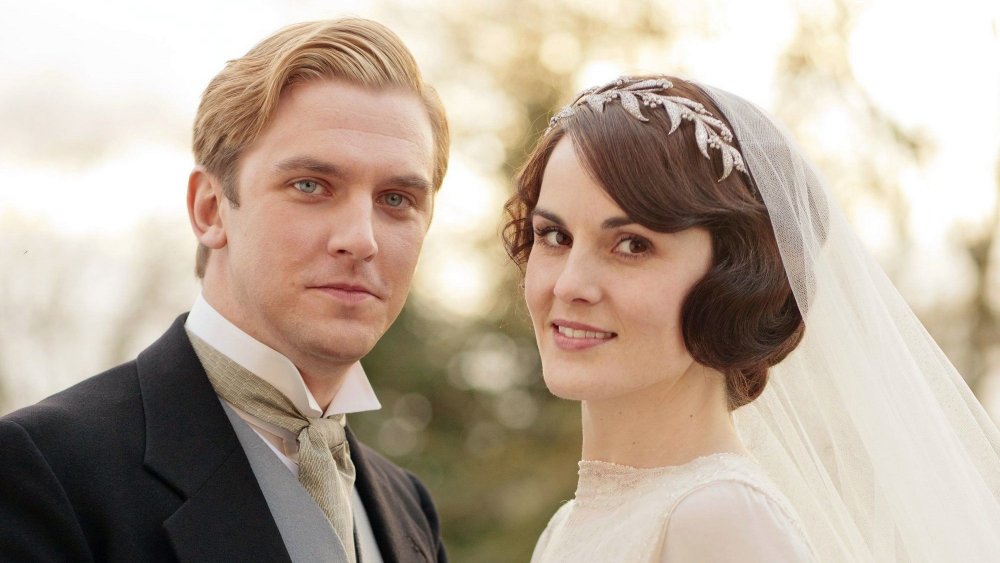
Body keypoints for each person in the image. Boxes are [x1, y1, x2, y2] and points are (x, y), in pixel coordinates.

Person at [0, 18, 449, 563]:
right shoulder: (43, 470)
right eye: (310, 186)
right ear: (210, 209)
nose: (361, 239)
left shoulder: (407, 506)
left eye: (397, 199)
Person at [504, 76, 1000, 562]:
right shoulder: (571, 525)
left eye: (632, 245)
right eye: (554, 236)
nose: (569, 285)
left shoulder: (719, 521)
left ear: (732, 278)